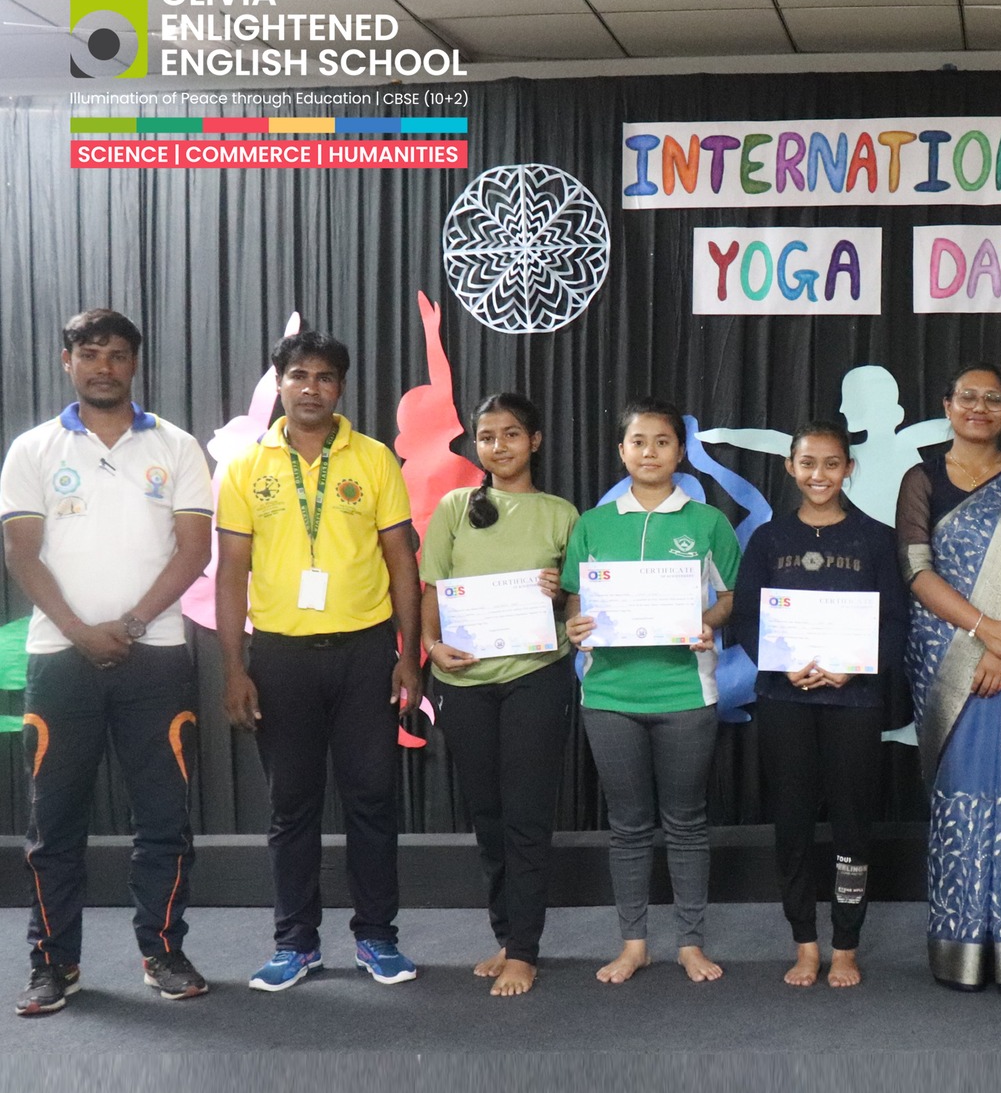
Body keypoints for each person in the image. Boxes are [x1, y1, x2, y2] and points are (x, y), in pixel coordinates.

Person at [2, 309, 213, 1015]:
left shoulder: (176, 445)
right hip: (59, 660)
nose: (103, 366)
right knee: (53, 825)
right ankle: (52, 963)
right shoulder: (32, 449)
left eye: (117, 355)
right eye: (89, 354)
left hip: (155, 658)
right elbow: (21, 554)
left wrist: (129, 624)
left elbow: (195, 550)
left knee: (164, 819)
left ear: (134, 364)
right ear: (67, 361)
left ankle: (163, 952)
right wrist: (78, 631)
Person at [215, 329, 421, 992]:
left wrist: (409, 656)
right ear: (279, 384)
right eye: (299, 375)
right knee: (291, 805)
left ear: (341, 387)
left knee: (372, 799)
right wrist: (234, 667)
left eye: (325, 377)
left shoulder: (374, 458)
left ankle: (377, 937)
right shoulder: (247, 465)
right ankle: (295, 943)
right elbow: (231, 572)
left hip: (366, 652)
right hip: (280, 656)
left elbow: (401, 561)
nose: (311, 388)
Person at [897, 362, 1001, 992]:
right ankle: (960, 947)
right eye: (968, 396)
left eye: (994, 398)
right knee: (962, 794)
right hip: (948, 658)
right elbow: (917, 569)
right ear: (947, 405)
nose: (980, 407)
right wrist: (982, 630)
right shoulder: (921, 479)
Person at [564, 400, 740, 986]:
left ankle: (690, 942)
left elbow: (730, 597)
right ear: (622, 451)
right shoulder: (593, 524)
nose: (650, 452)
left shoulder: (707, 522)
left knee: (686, 822)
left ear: (679, 452)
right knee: (629, 825)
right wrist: (574, 623)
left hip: (686, 692)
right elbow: (574, 596)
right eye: (638, 441)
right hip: (609, 695)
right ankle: (634, 944)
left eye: (662, 442)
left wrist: (708, 622)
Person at [730, 423, 908, 989]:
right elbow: (747, 618)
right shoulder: (769, 540)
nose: (819, 475)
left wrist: (857, 665)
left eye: (832, 464)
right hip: (785, 698)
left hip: (854, 700)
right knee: (793, 822)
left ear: (849, 469)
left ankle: (846, 945)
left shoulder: (876, 539)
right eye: (808, 463)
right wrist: (780, 661)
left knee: (853, 824)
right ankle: (805, 943)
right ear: (790, 467)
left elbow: (896, 622)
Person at [418, 393, 579, 998]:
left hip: (537, 675)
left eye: (511, 434)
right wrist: (431, 646)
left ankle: (525, 951)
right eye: (486, 437)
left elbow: (579, 603)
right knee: (487, 817)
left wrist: (559, 594)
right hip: (464, 682)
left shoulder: (562, 514)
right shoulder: (454, 508)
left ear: (534, 441)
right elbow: (432, 588)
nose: (498, 446)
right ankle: (507, 936)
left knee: (527, 817)